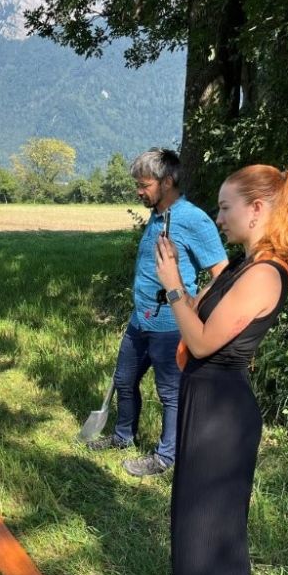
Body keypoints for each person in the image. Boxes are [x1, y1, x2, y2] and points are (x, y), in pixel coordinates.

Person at [155, 164, 288, 575]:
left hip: (222, 410)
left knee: (213, 521)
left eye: (225, 207)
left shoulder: (264, 274)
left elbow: (199, 339)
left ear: (258, 209)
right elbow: (199, 319)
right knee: (195, 514)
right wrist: (184, 290)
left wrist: (174, 284)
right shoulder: (244, 267)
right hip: (208, 400)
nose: (218, 217)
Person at [88, 148, 228, 478]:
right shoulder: (157, 215)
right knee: (124, 380)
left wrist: (195, 305)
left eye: (144, 184)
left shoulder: (193, 219)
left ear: (167, 182)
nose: (139, 191)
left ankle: (166, 458)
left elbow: (222, 272)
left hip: (171, 326)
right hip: (140, 320)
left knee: (170, 393)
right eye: (136, 184)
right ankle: (123, 437)